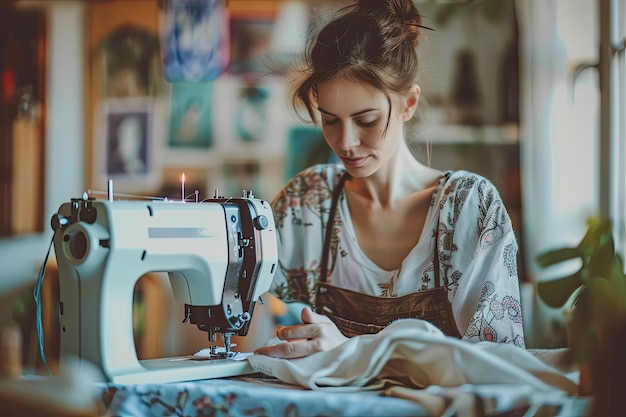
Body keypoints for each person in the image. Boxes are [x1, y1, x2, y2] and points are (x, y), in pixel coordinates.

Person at [254, 0, 525, 359]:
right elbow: (251, 308)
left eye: (366, 120)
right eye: (330, 120)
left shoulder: (468, 208)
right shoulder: (307, 202)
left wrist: (352, 352)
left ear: (408, 104)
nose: (345, 143)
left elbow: (497, 366)